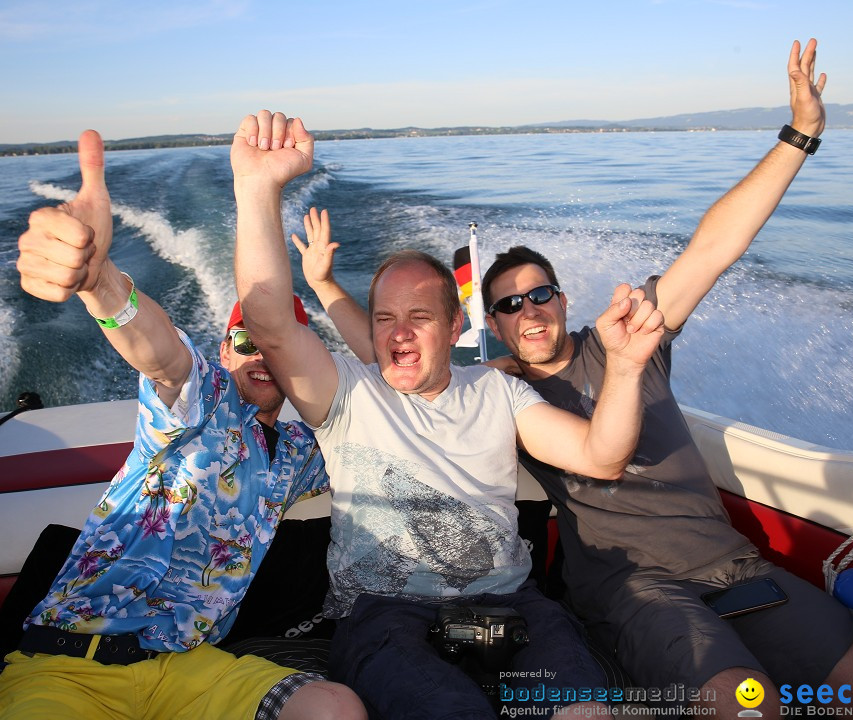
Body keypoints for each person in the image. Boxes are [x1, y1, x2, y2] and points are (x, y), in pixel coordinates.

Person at [478, 39, 853, 714]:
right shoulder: (502, 392)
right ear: (494, 324)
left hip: (738, 567)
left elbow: (714, 247)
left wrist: (800, 134)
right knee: (749, 705)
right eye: (509, 304)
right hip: (638, 591)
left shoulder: (631, 336)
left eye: (540, 294)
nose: (529, 310)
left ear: (563, 300)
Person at [230, 109, 666, 719]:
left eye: (420, 318)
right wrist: (258, 190)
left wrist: (623, 368)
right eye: (384, 319)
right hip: (384, 613)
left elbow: (602, 455)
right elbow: (270, 321)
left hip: (512, 605)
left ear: (456, 325)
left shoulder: (499, 393)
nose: (398, 335)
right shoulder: (345, 391)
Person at [0, 130, 366, 720]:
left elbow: (380, 412)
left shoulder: (300, 454)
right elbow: (158, 352)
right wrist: (100, 281)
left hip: (190, 670)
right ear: (224, 350)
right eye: (247, 341)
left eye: (279, 346)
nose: (262, 355)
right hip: (69, 665)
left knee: (332, 709)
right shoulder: (199, 400)